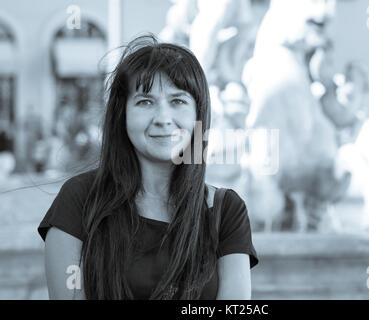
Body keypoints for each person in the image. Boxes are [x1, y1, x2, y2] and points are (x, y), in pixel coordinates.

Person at [37, 35, 258, 300]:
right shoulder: (79, 199)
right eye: (145, 101)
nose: (163, 119)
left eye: (177, 101)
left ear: (198, 114)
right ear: (123, 115)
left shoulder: (226, 211)